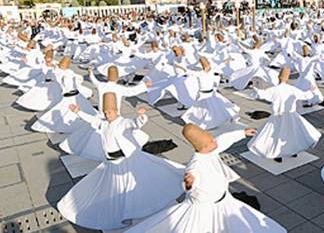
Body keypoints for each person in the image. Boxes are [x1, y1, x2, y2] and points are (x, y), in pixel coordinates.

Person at [58, 93, 184, 231]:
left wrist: (141, 116)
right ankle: (124, 209)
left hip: (124, 162)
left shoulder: (123, 123)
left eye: (110, 112)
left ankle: (130, 210)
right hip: (111, 163)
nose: (107, 115)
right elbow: (91, 120)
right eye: (105, 112)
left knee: (126, 187)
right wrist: (78, 112)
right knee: (114, 188)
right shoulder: (103, 123)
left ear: (116, 111)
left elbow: (135, 124)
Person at [126, 124, 285, 232]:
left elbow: (223, 140)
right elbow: (189, 181)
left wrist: (242, 133)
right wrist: (188, 185)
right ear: (204, 147)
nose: (215, 141)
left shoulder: (210, 150)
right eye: (211, 141)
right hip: (204, 208)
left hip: (224, 201)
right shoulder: (195, 165)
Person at [247, 67, 322, 163]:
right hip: (291, 116)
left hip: (277, 116)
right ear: (287, 78)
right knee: (291, 134)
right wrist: (313, 90)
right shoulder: (292, 89)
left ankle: (278, 154)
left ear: (278, 77)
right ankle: (292, 150)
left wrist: (254, 87)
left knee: (276, 135)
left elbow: (260, 94)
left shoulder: (274, 90)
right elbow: (307, 95)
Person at [181, 57, 240, 130]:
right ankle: (200, 121)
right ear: (204, 66)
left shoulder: (212, 71)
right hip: (203, 95)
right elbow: (187, 71)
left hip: (211, 94)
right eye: (207, 65)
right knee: (202, 110)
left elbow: (221, 65)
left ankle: (216, 120)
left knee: (218, 107)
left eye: (208, 64)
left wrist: (227, 60)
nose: (209, 66)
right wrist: (179, 66)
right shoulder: (199, 73)